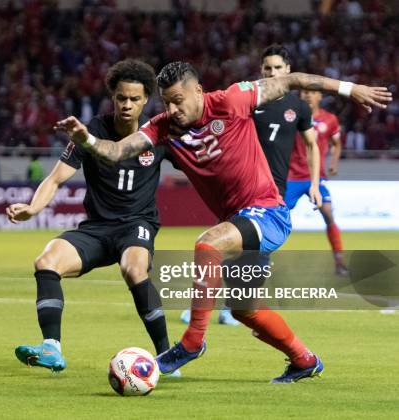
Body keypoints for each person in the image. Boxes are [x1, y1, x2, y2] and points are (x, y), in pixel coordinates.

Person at [55, 62, 390, 382]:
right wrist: (86, 139)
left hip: (267, 212)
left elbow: (291, 80)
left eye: (178, 101)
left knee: (208, 242)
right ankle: (305, 360)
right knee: (244, 308)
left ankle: (192, 343)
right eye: (166, 102)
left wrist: (350, 89)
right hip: (239, 222)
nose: (172, 110)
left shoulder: (232, 100)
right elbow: (115, 152)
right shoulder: (162, 127)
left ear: (198, 91)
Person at [7, 59, 177, 374]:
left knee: (134, 268)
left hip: (136, 225)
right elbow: (56, 178)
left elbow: (199, 167)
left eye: (134, 99)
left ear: (146, 101)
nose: (127, 105)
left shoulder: (159, 134)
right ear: (113, 97)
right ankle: (51, 348)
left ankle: (167, 356)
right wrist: (33, 208)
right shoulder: (92, 131)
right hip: (97, 229)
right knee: (46, 261)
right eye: (121, 98)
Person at [179, 44, 323, 326]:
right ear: (261, 70)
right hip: (239, 186)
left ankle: (239, 304)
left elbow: (312, 146)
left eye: (278, 68)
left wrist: (315, 184)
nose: (272, 72)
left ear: (288, 71)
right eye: (268, 68)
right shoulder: (249, 101)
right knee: (220, 246)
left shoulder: (298, 107)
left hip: (273, 190)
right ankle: (209, 305)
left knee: (256, 253)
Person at [286, 89, 349, 275]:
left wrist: (334, 163)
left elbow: (337, 144)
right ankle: (256, 262)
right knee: (275, 217)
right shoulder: (290, 116)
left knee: (328, 214)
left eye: (312, 92)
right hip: (292, 177)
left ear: (320, 96)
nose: (307, 95)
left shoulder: (330, 119)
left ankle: (339, 263)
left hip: (317, 177)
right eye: (304, 92)